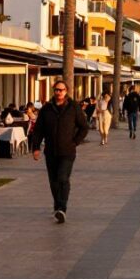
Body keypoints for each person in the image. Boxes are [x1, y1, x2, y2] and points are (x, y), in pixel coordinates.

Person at [31, 79, 89, 224]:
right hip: (50, 151)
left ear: (66, 91)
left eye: (61, 90)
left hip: (67, 151)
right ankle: (57, 206)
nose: (58, 92)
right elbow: (38, 130)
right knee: (53, 181)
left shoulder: (73, 107)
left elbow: (84, 127)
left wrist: (75, 142)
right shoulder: (46, 109)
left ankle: (62, 208)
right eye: (56, 89)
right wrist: (36, 148)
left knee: (63, 178)